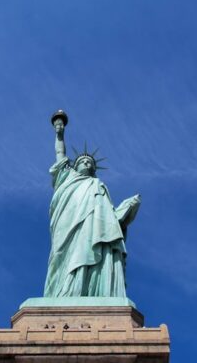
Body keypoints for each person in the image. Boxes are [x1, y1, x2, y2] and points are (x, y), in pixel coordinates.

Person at [43, 112, 141, 298]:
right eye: (82, 161)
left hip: (93, 227)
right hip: (68, 224)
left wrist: (126, 209)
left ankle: (90, 290)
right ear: (75, 165)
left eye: (90, 162)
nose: (87, 163)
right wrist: (59, 134)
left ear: (94, 170)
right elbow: (59, 153)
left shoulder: (98, 186)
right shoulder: (67, 177)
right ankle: (64, 293)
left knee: (92, 250)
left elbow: (109, 219)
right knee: (64, 255)